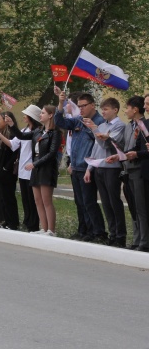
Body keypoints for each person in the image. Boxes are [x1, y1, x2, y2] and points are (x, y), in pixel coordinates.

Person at [0, 105, 61, 235]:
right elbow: (20, 135)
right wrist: (12, 125)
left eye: (42, 113)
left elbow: (52, 153)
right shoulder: (38, 131)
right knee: (37, 200)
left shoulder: (55, 133)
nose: (40, 115)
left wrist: (35, 164)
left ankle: (51, 230)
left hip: (46, 168)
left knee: (46, 200)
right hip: (36, 167)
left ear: (50, 115)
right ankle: (43, 228)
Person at [55, 91, 107, 242]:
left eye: (84, 106)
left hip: (88, 167)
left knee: (89, 202)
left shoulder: (99, 121)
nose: (81, 109)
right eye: (79, 106)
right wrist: (60, 103)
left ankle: (98, 232)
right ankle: (84, 230)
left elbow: (100, 142)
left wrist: (91, 128)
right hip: (76, 166)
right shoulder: (78, 120)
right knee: (80, 202)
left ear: (92, 105)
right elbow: (60, 121)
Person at [84, 97, 127, 247]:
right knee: (106, 202)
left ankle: (120, 235)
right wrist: (89, 168)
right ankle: (112, 233)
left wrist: (95, 130)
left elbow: (108, 145)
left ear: (115, 110)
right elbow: (96, 148)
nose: (103, 112)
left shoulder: (120, 126)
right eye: (102, 109)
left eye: (106, 109)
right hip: (99, 167)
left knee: (114, 201)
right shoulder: (101, 125)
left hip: (112, 168)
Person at [122, 96, 149, 251]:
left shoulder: (144, 124)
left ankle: (144, 241)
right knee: (134, 206)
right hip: (130, 167)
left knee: (141, 207)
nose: (145, 107)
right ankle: (138, 239)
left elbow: (141, 151)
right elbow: (137, 146)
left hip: (141, 169)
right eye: (145, 104)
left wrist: (137, 154)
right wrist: (121, 155)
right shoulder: (139, 125)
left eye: (147, 104)